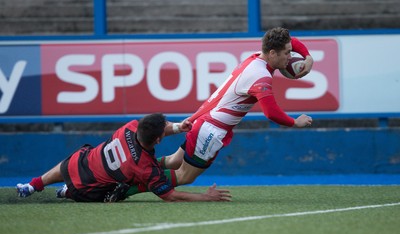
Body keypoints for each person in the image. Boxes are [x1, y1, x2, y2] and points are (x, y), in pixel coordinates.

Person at [123, 27, 314, 197]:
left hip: (205, 120)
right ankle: (128, 187)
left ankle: (129, 172)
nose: (290, 56)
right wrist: (295, 122)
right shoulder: (260, 76)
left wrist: (307, 57)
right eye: (287, 53)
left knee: (174, 161)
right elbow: (271, 113)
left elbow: (293, 41)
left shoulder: (257, 57)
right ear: (272, 53)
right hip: (211, 130)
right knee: (183, 176)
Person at [16, 113, 231, 202]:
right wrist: (205, 197)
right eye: (164, 130)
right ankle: (69, 192)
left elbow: (154, 128)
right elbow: (170, 195)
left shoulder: (130, 127)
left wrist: (177, 127)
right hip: (91, 188)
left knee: (72, 163)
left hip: (83, 162)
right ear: (157, 140)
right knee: (143, 181)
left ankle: (33, 185)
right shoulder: (144, 167)